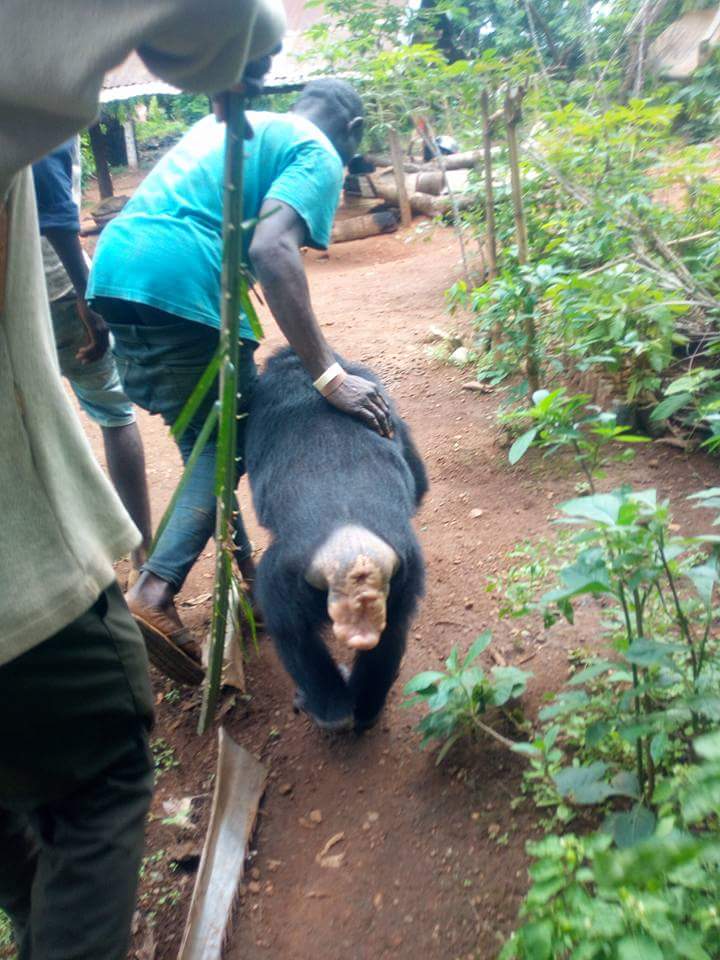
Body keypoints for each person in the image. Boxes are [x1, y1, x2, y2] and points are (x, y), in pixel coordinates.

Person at [0, 2, 285, 957]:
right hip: (21, 599)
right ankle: (158, 583)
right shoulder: (303, 152)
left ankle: (177, 576)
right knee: (94, 785)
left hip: (131, 275)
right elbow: (222, 26)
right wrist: (323, 367)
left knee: (22, 820)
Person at [88, 79, 392, 683]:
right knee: (233, 439)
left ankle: (252, 582)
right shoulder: (318, 151)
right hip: (178, 282)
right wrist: (329, 375)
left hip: (117, 269)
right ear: (353, 132)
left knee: (207, 438)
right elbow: (273, 252)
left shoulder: (238, 125)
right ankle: (154, 591)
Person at [33, 138, 152, 570]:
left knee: (32, 426)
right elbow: (50, 200)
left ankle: (63, 568)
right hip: (56, 288)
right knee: (115, 412)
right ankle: (142, 557)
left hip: (18, 297)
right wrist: (85, 293)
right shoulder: (41, 91)